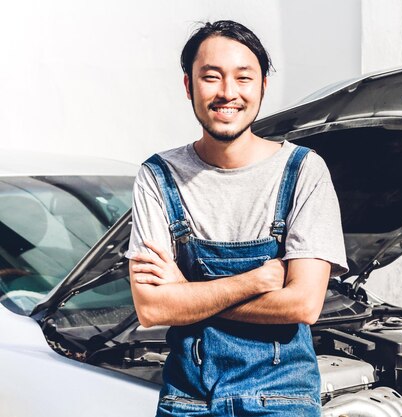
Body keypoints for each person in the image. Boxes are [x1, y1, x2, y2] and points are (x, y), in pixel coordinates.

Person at [126, 20, 348, 417]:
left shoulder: (302, 172)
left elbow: (303, 305)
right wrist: (254, 281)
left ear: (262, 86)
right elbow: (153, 310)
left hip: (282, 399)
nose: (227, 93)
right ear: (188, 86)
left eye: (243, 78)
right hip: (188, 400)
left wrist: (190, 292)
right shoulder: (158, 177)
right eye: (211, 77)